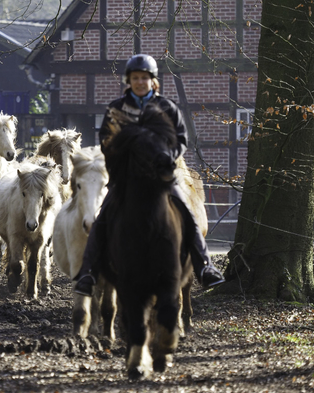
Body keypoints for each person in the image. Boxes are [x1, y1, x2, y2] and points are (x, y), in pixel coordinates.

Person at [73, 54, 225, 296]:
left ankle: (205, 267)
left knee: (186, 214)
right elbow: (105, 141)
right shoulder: (116, 109)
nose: (140, 82)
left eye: (144, 78)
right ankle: (88, 273)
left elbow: (182, 140)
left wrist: (168, 155)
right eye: (135, 78)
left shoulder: (167, 108)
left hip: (161, 177)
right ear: (129, 80)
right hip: (127, 177)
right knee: (103, 217)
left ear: (152, 80)